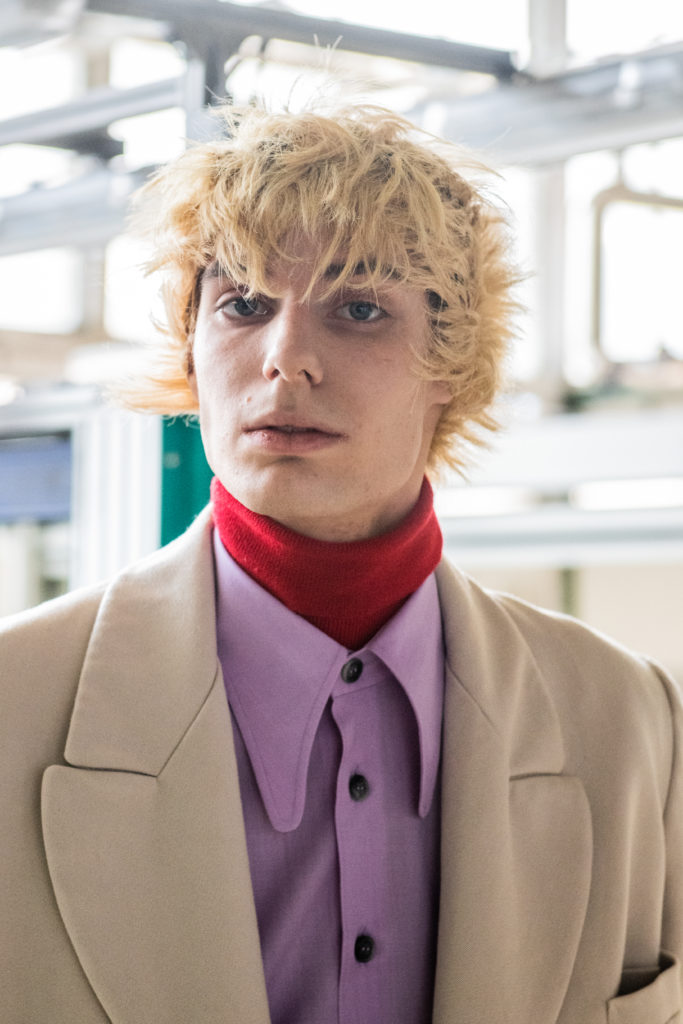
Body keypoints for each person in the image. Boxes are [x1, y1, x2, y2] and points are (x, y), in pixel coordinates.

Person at [1, 102, 681, 1024]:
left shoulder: (628, 719)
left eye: (358, 310)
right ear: (191, 350)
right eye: (242, 304)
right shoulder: (15, 703)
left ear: (451, 366)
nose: (285, 359)